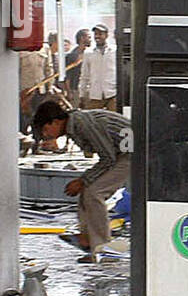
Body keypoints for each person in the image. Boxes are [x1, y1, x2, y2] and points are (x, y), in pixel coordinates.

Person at [32, 101, 131, 264]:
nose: (46, 134)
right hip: (121, 153)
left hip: (131, 153)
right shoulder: (75, 124)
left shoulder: (82, 125)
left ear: (56, 122)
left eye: (45, 129)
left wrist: (82, 180)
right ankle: (91, 242)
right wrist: (84, 182)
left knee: (93, 193)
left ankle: (102, 248)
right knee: (88, 192)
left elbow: (108, 159)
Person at [77, 23, 118, 112]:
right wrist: (82, 94)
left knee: (114, 120)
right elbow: (84, 75)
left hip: (112, 93)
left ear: (106, 35)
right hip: (95, 94)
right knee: (94, 120)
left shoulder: (115, 51)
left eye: (100, 34)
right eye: (96, 34)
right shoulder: (88, 52)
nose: (97, 36)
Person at [62, 28, 90, 106]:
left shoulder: (90, 53)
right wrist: (69, 92)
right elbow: (67, 76)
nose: (91, 40)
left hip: (88, 89)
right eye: (89, 37)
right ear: (82, 38)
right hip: (76, 89)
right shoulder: (72, 56)